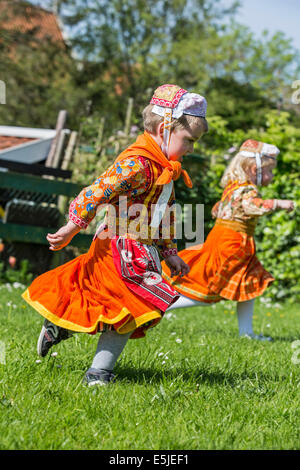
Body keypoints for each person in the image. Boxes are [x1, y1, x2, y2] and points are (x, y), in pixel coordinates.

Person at [22, 84, 208, 385]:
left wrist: (170, 253)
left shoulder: (166, 169)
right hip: (117, 246)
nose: (191, 149)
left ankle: (63, 330)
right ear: (164, 128)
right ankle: (99, 374)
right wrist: (72, 226)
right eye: (189, 140)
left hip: (141, 250)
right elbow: (96, 192)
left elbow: (163, 214)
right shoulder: (137, 164)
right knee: (128, 307)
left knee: (113, 307)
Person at [162, 139, 294, 340]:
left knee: (250, 283)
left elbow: (218, 209)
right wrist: (277, 203)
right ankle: (162, 305)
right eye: (269, 171)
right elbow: (251, 206)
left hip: (229, 239)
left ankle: (246, 332)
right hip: (232, 243)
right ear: (252, 169)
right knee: (210, 288)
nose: (272, 176)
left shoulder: (234, 187)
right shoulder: (247, 190)